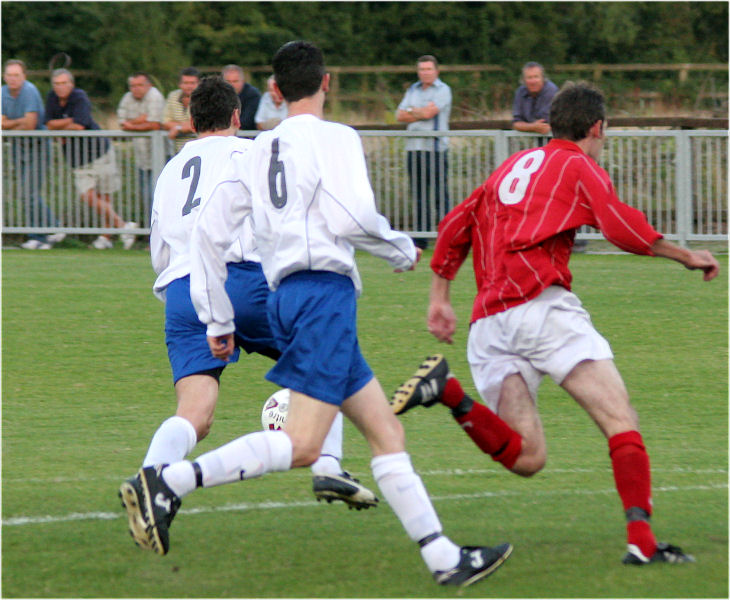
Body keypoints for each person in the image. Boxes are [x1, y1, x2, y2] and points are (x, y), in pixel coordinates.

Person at [126, 41, 512, 588]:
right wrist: (400, 248)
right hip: (322, 293)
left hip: (279, 294)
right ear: (326, 83)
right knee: (303, 443)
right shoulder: (336, 138)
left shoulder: (259, 148)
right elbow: (354, 213)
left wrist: (215, 319)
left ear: (275, 93)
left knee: (384, 432)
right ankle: (171, 482)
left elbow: (209, 232)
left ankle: (444, 557)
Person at [391, 81, 720, 566]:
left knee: (527, 457)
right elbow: (620, 226)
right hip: (540, 308)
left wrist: (440, 296)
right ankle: (643, 545)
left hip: (490, 322)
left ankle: (449, 392)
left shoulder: (509, 167)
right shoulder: (577, 164)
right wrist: (685, 254)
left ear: (550, 124)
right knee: (620, 420)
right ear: (597, 127)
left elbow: (456, 222)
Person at [119, 75, 378, 552]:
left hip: (180, 288)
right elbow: (275, 220)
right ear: (238, 117)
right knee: (328, 348)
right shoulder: (251, 153)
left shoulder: (171, 170)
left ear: (192, 121)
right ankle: (328, 466)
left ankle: (150, 481)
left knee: (194, 414)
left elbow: (159, 248)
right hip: (239, 278)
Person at [45, 68, 136, 250]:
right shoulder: (51, 99)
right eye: (57, 84)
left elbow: (79, 125)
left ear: (71, 84)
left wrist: (59, 127)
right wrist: (65, 124)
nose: (60, 87)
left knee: (104, 197)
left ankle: (106, 237)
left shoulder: (80, 97)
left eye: (64, 83)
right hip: (77, 159)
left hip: (99, 152)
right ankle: (124, 227)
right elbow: (48, 123)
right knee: (87, 195)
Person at [2, 59, 65, 250]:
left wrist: (9, 123)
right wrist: (16, 123)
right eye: (9, 75)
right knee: (25, 193)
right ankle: (39, 235)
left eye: (16, 75)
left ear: (24, 76)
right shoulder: (2, 93)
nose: (12, 79)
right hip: (17, 147)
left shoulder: (29, 91)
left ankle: (53, 227)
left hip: (37, 146)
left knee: (29, 192)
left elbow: (29, 125)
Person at [396, 55, 452, 250]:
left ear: (436, 71)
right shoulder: (412, 89)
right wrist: (418, 112)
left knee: (439, 194)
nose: (425, 73)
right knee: (419, 195)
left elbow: (429, 114)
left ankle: (447, 237)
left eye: (428, 69)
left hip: (435, 148)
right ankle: (421, 238)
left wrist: (412, 111)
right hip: (414, 148)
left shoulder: (443, 90)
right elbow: (399, 115)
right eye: (422, 69)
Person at [117, 72, 165, 219]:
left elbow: (155, 124)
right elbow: (121, 121)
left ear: (149, 85)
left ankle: (162, 231)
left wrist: (132, 123)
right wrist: (143, 120)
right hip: (142, 158)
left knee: (158, 196)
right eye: (132, 86)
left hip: (160, 157)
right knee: (145, 197)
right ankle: (149, 232)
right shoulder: (127, 97)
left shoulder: (154, 96)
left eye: (140, 85)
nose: (135, 89)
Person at [511, 62, 559, 136]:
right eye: (529, 77)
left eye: (536, 77)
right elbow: (516, 124)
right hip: (532, 140)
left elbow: (544, 125)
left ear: (543, 78)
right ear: (523, 80)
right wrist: (533, 126)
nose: (533, 81)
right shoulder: (520, 92)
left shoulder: (551, 90)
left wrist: (525, 126)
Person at [163, 67, 199, 155]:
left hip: (199, 150)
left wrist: (178, 128)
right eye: (186, 83)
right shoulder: (173, 96)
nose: (189, 86)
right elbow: (165, 122)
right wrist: (186, 126)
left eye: (192, 83)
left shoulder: (206, 98)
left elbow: (200, 123)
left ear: (199, 84)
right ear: (180, 84)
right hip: (177, 151)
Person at [221, 64, 261, 131]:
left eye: (235, 81)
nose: (231, 85)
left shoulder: (253, 95)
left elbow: (247, 121)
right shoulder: (216, 95)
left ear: (243, 81)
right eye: (228, 81)